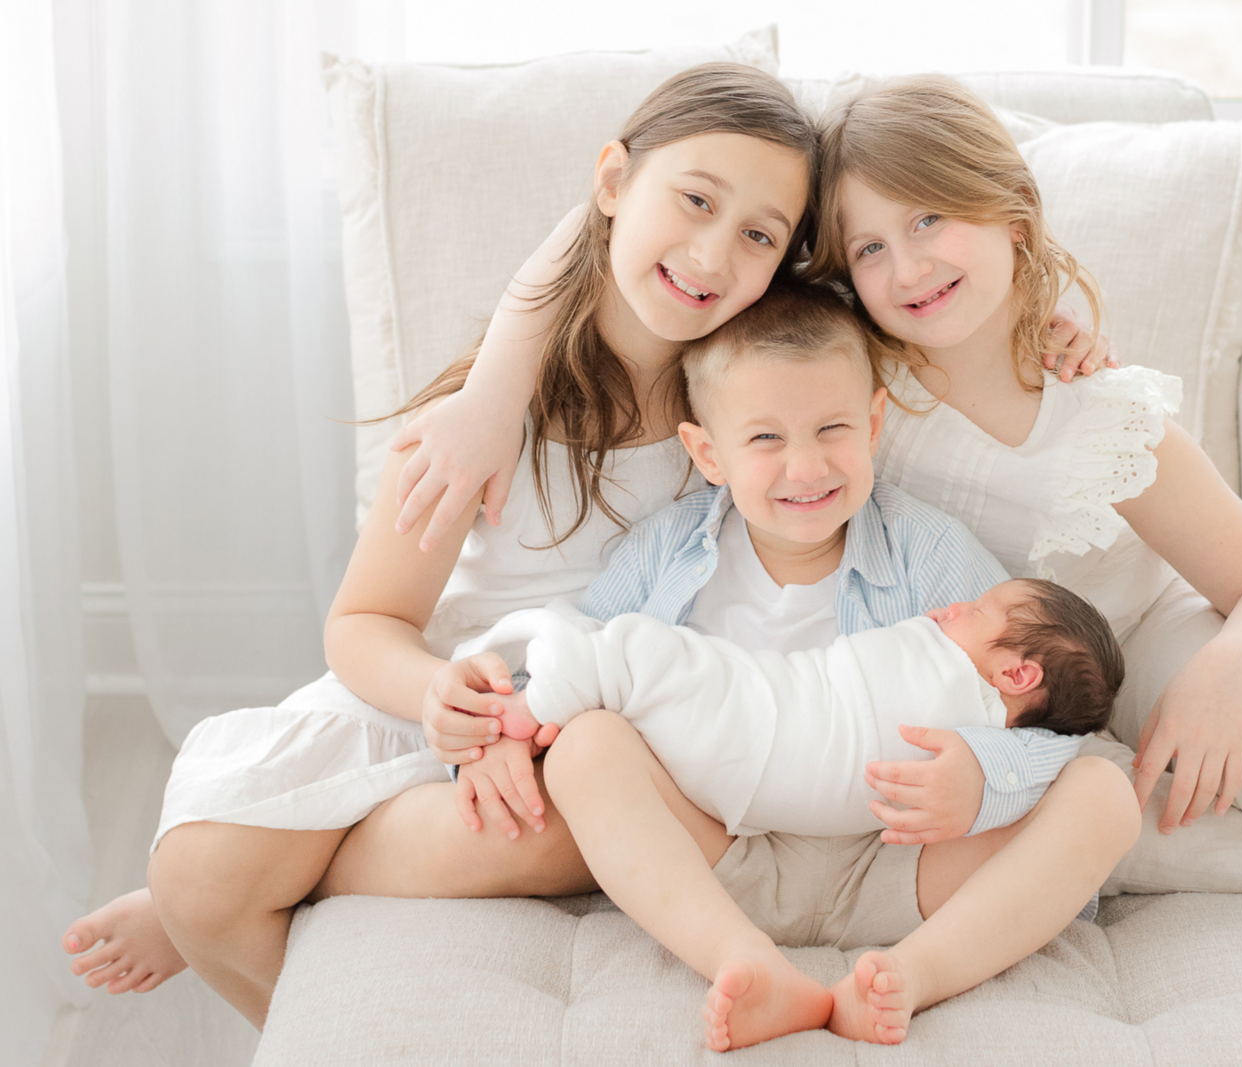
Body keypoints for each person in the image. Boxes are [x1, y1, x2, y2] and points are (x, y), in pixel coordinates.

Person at [378, 73, 1242, 1059]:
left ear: (1011, 211)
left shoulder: (1096, 401)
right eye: (866, 248)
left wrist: (1224, 672)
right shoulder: (863, 377)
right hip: (973, 700)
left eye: (931, 223)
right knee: (1179, 825)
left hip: (1124, 656)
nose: (904, 269)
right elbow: (630, 212)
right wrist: (495, 386)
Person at [60, 63, 822, 1027]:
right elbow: (364, 621)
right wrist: (439, 700)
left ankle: (251, 887)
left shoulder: (752, 404)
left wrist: (1047, 318)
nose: (714, 255)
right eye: (695, 201)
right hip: (439, 698)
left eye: (758, 235)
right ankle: (207, 897)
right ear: (613, 181)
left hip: (583, 736)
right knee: (199, 868)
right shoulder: (484, 416)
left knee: (544, 829)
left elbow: (903, 291)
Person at [509, 281, 1137, 1048]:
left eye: (832, 428)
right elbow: (569, 658)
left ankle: (915, 972)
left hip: (898, 860)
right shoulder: (667, 553)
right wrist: (502, 733)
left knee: (1104, 792)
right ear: (709, 452)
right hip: (718, 853)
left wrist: (983, 771)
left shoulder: (928, 554)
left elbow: (1051, 702)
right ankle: (742, 959)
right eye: (765, 439)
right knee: (586, 744)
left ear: (874, 422)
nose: (805, 467)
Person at [455, 576, 1121, 839]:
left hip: (766, 740)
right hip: (769, 743)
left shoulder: (971, 708)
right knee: (673, 669)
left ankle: (540, 696)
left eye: (974, 610)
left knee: (651, 657)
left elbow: (1070, 750)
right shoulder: (977, 711)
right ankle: (554, 679)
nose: (949, 607)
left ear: (1018, 672)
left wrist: (985, 777)